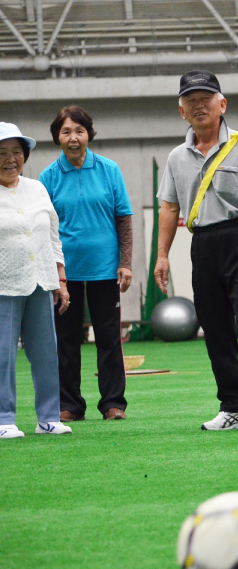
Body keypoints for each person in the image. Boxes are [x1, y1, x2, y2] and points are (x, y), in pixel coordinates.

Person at [155, 70, 238, 430]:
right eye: (190, 101)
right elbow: (169, 208)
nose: (198, 106)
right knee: (214, 326)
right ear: (181, 111)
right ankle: (232, 405)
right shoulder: (177, 157)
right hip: (203, 243)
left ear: (222, 104)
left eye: (205, 99)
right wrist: (162, 255)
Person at [39, 106, 133, 422]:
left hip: (105, 270)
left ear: (88, 134)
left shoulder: (109, 170)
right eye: (66, 132)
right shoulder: (47, 177)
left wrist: (126, 263)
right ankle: (69, 405)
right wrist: (53, 271)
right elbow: (45, 229)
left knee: (108, 339)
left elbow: (124, 219)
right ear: (57, 137)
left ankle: (112, 404)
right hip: (64, 275)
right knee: (66, 342)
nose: (73, 138)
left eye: (79, 131)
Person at [0, 123, 72, 438]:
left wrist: (61, 278)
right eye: (2, 153)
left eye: (17, 152)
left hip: (41, 281)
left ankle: (48, 418)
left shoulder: (37, 188)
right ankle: (3, 419)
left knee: (46, 353)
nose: (10, 159)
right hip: (4, 284)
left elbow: (53, 234)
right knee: (3, 354)